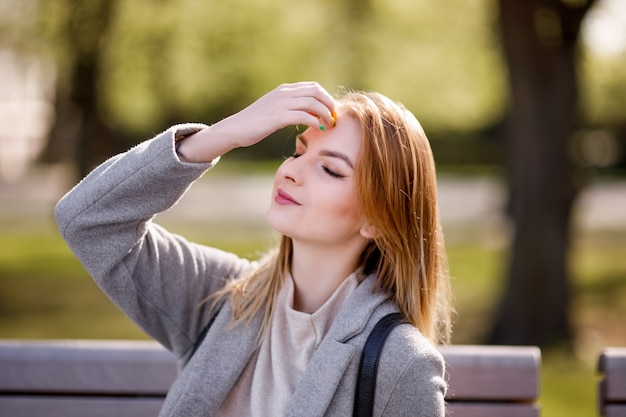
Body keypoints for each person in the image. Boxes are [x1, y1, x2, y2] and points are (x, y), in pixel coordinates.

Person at [55, 81, 453, 416]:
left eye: (330, 169)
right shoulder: (221, 295)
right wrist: (219, 136)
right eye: (298, 151)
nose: (291, 170)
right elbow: (86, 221)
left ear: (378, 220)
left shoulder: (401, 364)